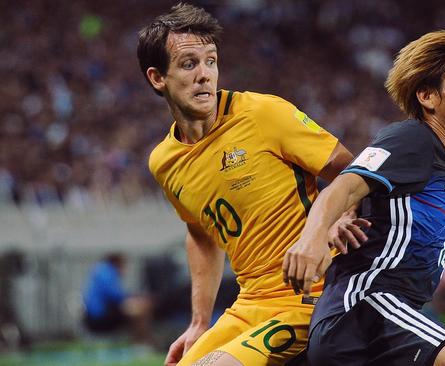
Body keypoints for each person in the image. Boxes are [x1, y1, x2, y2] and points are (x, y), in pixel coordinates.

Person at [137, 4, 355, 366]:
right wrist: (199, 321)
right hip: (249, 302)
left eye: (211, 61)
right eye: (189, 64)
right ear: (158, 78)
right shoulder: (164, 162)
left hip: (310, 296)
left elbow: (353, 171)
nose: (205, 75)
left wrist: (344, 213)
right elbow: (200, 234)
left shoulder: (262, 114)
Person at [283, 29, 445, 365]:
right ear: (427, 96)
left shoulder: (438, 167)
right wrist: (311, 239)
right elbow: (344, 186)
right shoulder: (414, 139)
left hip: (380, 318)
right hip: (364, 312)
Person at [82, 253, 151, 343]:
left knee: (137, 309)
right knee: (139, 312)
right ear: (117, 263)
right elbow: (116, 296)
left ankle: (139, 343)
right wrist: (135, 299)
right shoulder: (106, 273)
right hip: (99, 317)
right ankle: (140, 344)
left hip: (94, 315)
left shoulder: (100, 270)